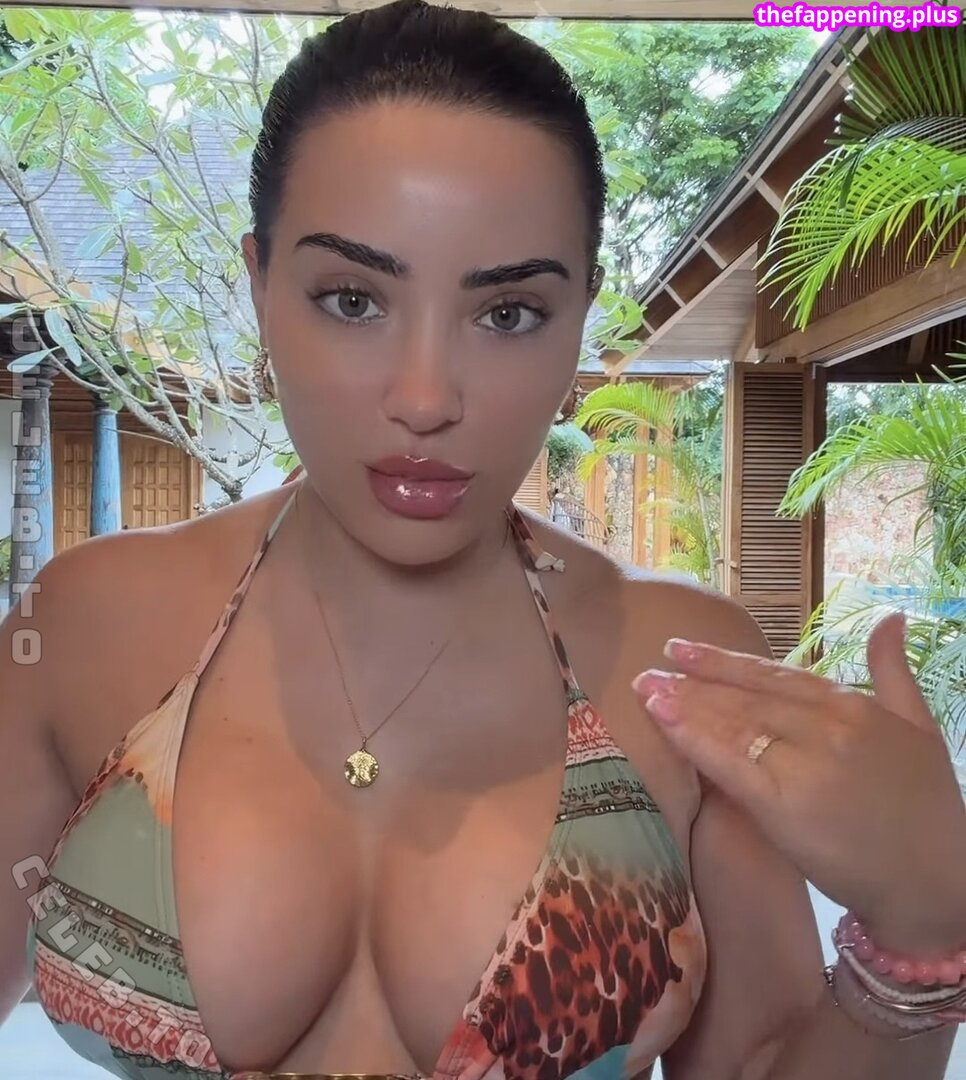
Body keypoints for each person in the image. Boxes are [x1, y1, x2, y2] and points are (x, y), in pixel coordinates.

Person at [1, 2, 964, 1078]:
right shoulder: (83, 626)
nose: (426, 398)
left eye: (507, 314)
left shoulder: (682, 676)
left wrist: (922, 930)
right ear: (260, 286)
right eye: (352, 299)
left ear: (581, 314)